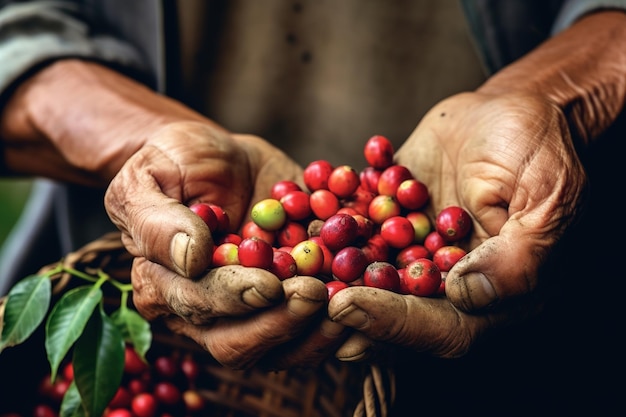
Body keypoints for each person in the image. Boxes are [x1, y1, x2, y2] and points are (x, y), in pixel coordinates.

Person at [0, 1, 625, 415]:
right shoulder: (349, 221)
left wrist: (548, 98)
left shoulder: (364, 225)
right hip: (154, 260)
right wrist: (143, 140)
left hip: (555, 336)